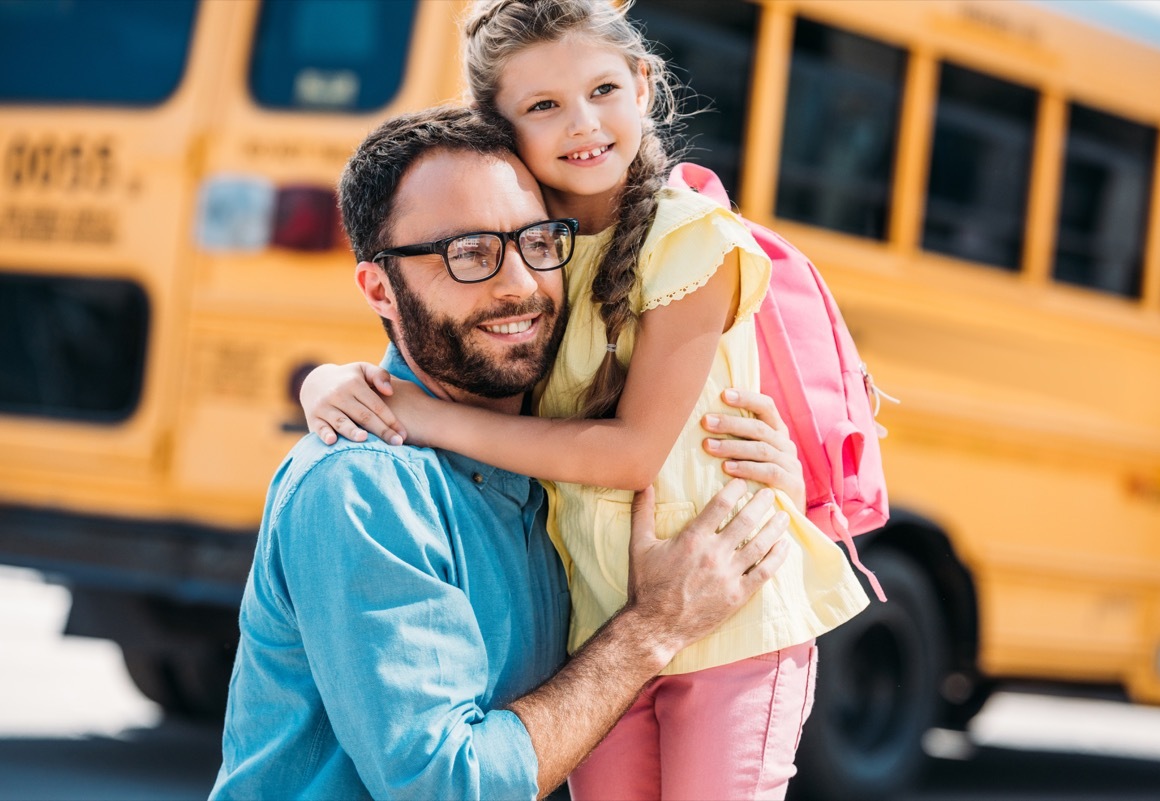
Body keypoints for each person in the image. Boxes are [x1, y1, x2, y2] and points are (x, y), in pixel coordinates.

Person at [300, 1, 872, 798]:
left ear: (643, 85)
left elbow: (632, 453)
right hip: (598, 632)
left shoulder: (690, 238)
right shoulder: (539, 248)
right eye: (543, 106)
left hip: (729, 612)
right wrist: (328, 382)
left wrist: (422, 417)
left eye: (603, 88)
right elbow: (450, 342)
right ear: (500, 128)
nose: (583, 123)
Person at [210, 105, 804, 801]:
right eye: (468, 253)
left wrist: (769, 473)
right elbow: (451, 787)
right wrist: (652, 629)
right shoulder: (364, 487)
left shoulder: (569, 457)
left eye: (539, 241)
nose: (519, 283)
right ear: (380, 289)